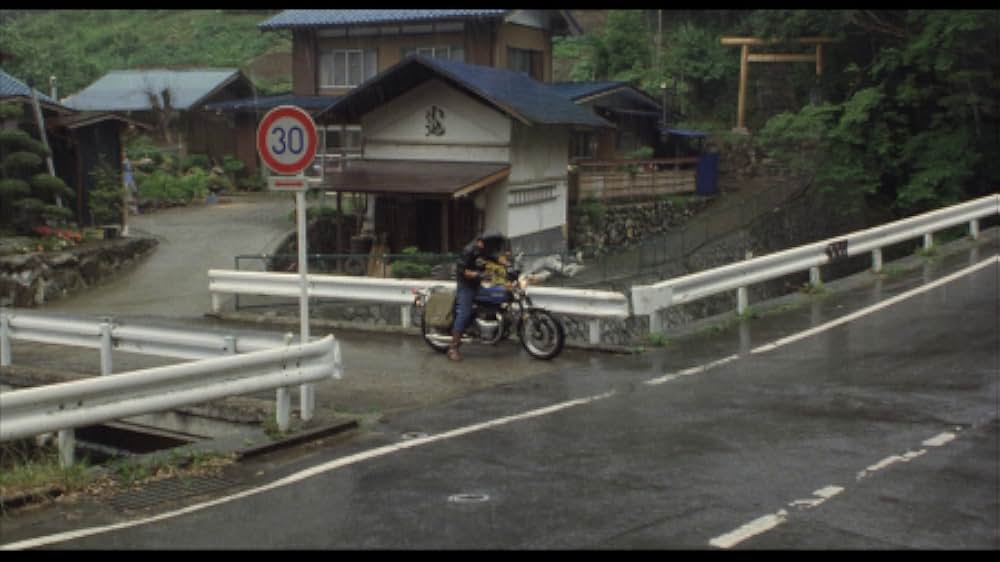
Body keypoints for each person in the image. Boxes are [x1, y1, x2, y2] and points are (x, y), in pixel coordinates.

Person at [449, 231, 508, 361]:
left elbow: (494, 257)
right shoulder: (468, 251)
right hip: (466, 285)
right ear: (482, 242)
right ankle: (453, 347)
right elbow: (462, 271)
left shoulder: (484, 250)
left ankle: (491, 330)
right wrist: (478, 275)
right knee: (465, 313)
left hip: (477, 283)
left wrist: (508, 265)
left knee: (493, 300)